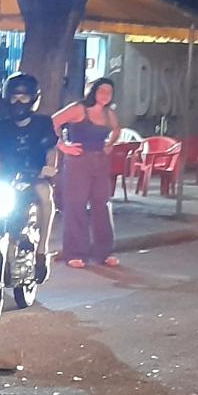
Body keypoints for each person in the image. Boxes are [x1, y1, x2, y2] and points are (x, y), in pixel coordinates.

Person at [0, 72, 57, 279]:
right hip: (5, 180)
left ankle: (42, 250)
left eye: (23, 97)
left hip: (34, 176)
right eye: (14, 97)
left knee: (45, 194)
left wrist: (49, 167)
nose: (18, 102)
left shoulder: (43, 124)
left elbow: (51, 150)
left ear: (33, 99)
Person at [52, 77, 121, 270]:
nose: (106, 95)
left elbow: (116, 129)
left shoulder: (109, 113)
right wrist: (63, 146)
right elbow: (53, 122)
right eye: (102, 91)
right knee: (76, 206)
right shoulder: (79, 109)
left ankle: (104, 252)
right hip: (78, 162)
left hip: (100, 162)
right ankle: (74, 253)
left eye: (109, 92)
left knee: (102, 204)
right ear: (94, 91)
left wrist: (110, 144)